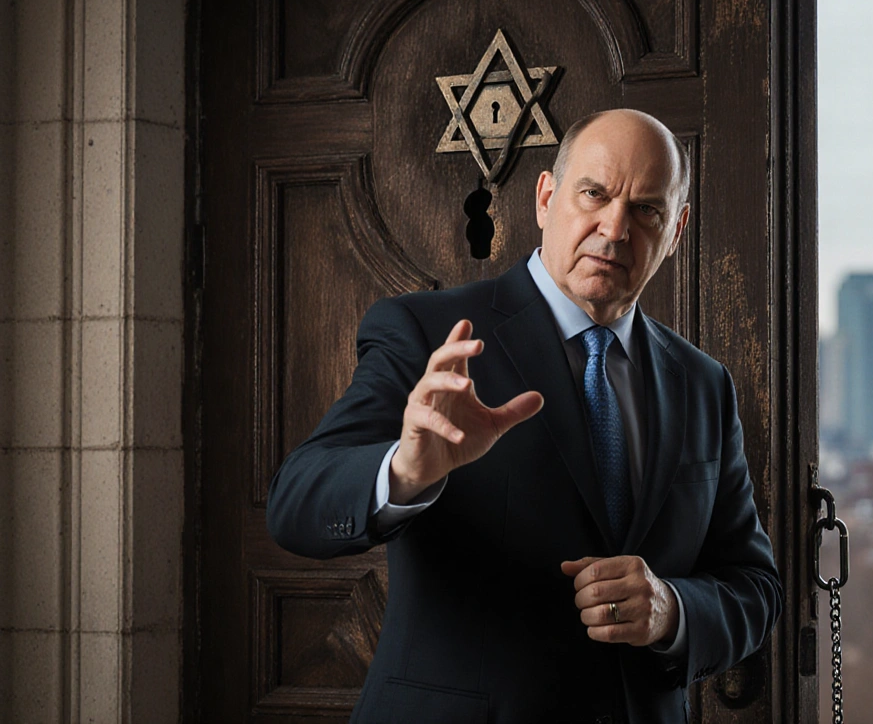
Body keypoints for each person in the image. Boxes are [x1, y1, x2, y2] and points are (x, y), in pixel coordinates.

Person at [267, 109, 782, 723]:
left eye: (647, 209)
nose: (614, 228)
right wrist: (403, 471)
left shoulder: (704, 384)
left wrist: (672, 609)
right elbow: (295, 504)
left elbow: (755, 586)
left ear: (676, 230)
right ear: (546, 197)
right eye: (594, 193)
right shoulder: (426, 332)